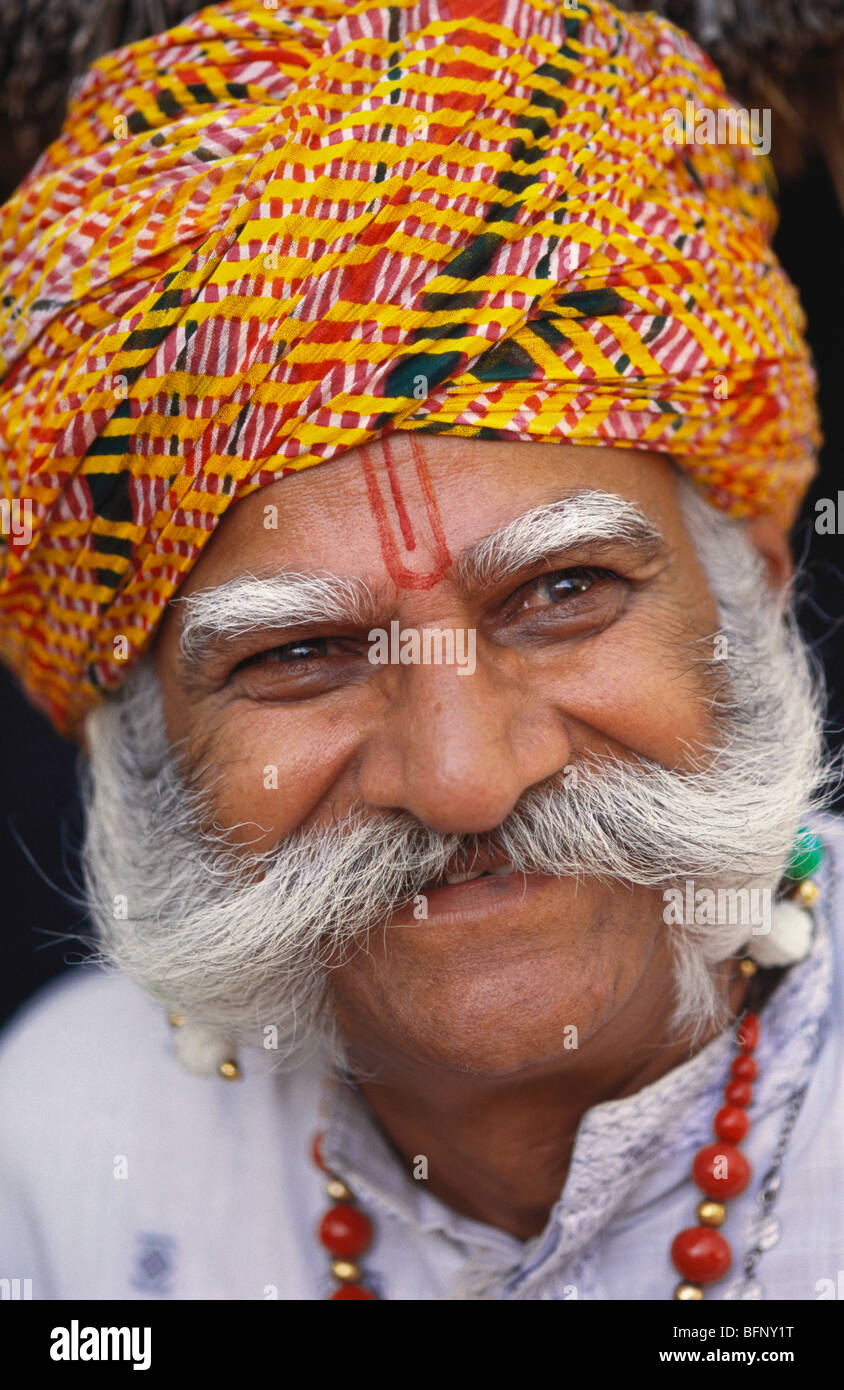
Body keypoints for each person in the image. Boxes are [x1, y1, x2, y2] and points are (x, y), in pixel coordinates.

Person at [0, 0, 840, 1301]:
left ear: (751, 598)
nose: (462, 779)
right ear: (145, 729)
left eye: (564, 589)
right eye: (301, 652)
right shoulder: (57, 1156)